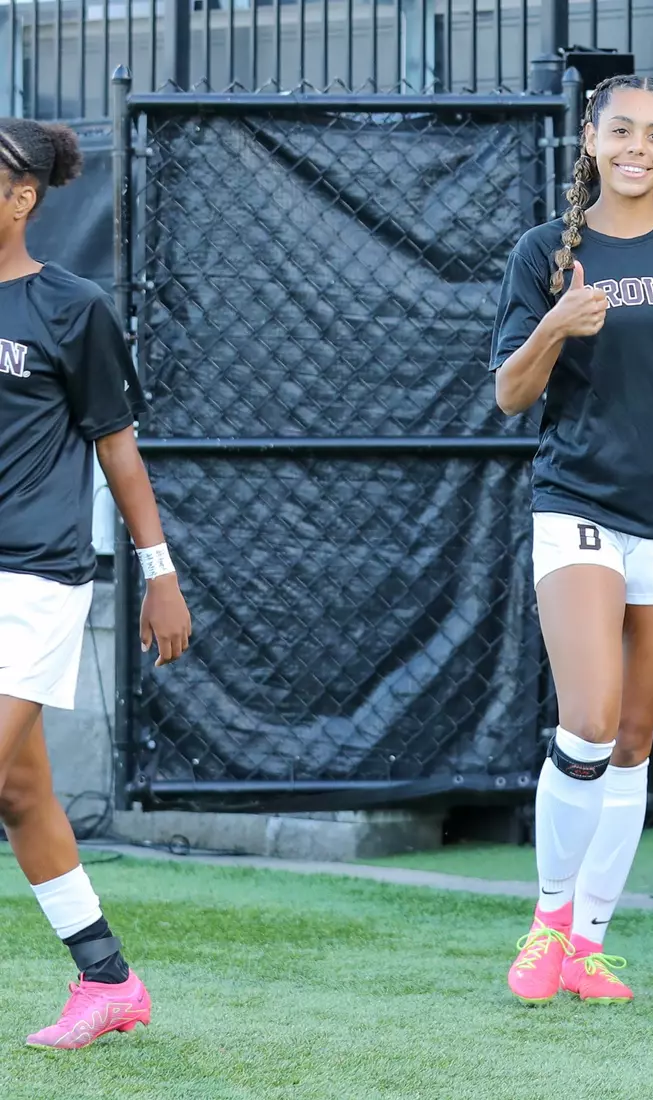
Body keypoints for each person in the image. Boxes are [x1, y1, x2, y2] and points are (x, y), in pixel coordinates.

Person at [490, 75, 653, 1004]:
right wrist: (557, 324)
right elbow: (509, 396)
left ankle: (589, 947)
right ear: (591, 141)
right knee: (590, 720)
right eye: (621, 131)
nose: (638, 147)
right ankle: (549, 919)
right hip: (576, 506)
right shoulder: (543, 252)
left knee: (638, 739)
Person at [0, 118, 192, 1047]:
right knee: (22, 792)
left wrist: (159, 575)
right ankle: (107, 980)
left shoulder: (71, 307)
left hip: (33, 576)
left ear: (21, 198)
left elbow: (118, 450)